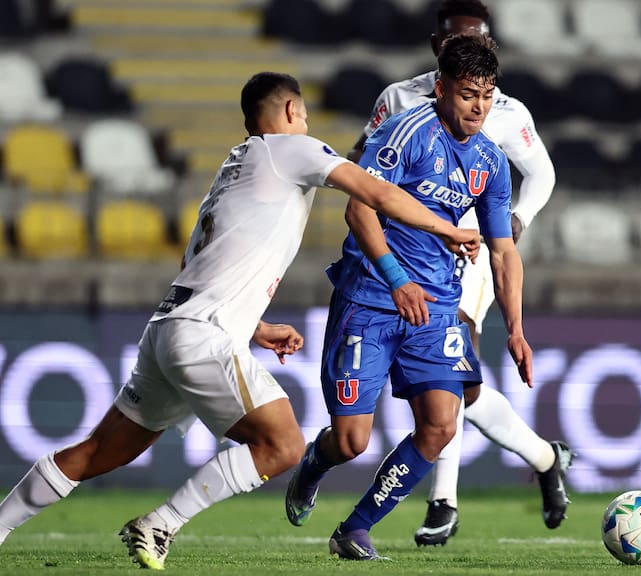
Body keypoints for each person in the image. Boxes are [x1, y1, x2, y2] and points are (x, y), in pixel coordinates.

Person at [0, 72, 480, 570]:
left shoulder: (233, 168)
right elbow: (373, 192)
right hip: (203, 337)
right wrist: (448, 227)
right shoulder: (288, 149)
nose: (310, 124)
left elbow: (199, 267)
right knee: (283, 444)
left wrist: (257, 327)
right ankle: (160, 523)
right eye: (307, 115)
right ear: (291, 112)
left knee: (99, 450)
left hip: (170, 326)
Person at [284, 33, 532, 561]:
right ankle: (315, 463)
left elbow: (504, 251)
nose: (478, 106)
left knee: (440, 426)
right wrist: (397, 278)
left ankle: (355, 528)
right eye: (468, 94)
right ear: (440, 89)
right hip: (372, 297)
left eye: (487, 95)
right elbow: (359, 210)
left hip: (436, 307)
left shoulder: (489, 159)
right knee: (351, 441)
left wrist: (514, 327)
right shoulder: (406, 133)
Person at [349, 0, 572, 546]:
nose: (469, 50)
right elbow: (361, 166)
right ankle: (545, 457)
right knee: (464, 388)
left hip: (469, 253)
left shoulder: (507, 113)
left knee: (453, 359)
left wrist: (518, 217)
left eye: (479, 41)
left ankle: (442, 502)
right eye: (455, 42)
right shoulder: (399, 100)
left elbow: (540, 173)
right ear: (437, 46)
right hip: (402, 251)